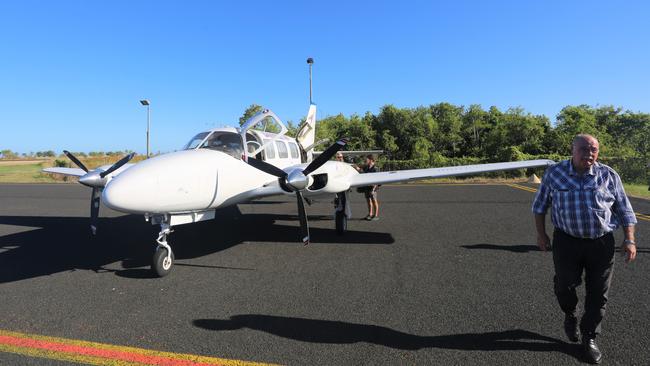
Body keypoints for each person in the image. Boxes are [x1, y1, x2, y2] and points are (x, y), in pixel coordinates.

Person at [532, 134, 637, 364]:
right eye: (584, 149)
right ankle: (570, 313)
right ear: (572, 149)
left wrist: (629, 239)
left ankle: (589, 337)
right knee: (564, 285)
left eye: (594, 149)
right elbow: (539, 206)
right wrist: (542, 235)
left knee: (599, 293)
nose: (589, 154)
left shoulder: (608, 175)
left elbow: (624, 209)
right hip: (566, 241)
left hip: (601, 243)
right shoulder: (555, 173)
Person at [355, 155, 380, 221]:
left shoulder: (376, 168)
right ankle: (370, 214)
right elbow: (364, 173)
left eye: (367, 160)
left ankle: (376, 215)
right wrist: (358, 169)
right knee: (368, 201)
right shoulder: (367, 167)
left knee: (374, 201)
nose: (366, 161)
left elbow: (378, 179)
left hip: (373, 187)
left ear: (371, 160)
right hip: (367, 186)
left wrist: (373, 189)